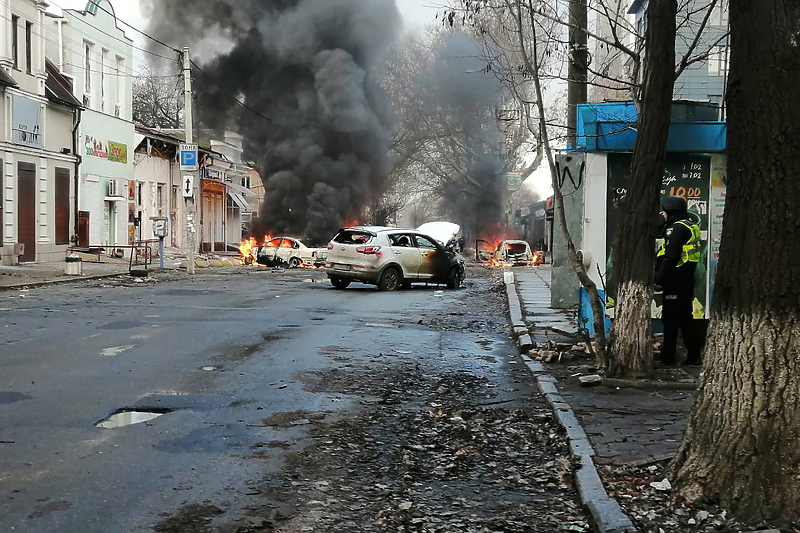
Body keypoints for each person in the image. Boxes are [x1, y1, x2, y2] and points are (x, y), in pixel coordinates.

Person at [655, 195, 702, 366]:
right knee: (685, 318)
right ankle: (694, 356)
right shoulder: (689, 225)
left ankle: (668, 358)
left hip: (675, 278)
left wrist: (659, 278)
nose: (663, 215)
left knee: (670, 319)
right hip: (687, 277)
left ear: (671, 212)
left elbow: (671, 256)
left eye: (665, 212)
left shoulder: (677, 229)